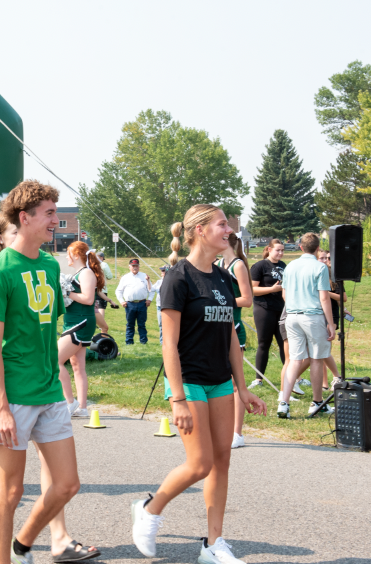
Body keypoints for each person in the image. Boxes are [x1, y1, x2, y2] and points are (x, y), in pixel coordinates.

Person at [0, 212, 99, 561]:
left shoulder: (51, 266)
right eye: (50, 212)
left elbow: (48, 326)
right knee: (11, 491)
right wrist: (0, 405)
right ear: (25, 218)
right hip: (15, 393)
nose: (56, 219)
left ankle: (23, 542)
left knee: (67, 484)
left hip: (49, 389)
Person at [130, 204, 266, 563]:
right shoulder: (178, 277)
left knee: (222, 462)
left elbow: (232, 341)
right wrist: (176, 399)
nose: (229, 231)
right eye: (223, 224)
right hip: (188, 382)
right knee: (200, 464)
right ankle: (149, 508)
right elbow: (168, 344)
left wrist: (243, 387)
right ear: (201, 230)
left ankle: (213, 544)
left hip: (220, 380)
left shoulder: (223, 278)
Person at [277, 233, 336, 419]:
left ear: (301, 247)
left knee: (295, 360)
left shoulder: (290, 266)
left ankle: (283, 403)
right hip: (312, 316)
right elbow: (324, 297)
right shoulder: (320, 267)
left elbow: (284, 295)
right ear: (318, 248)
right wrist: (331, 323)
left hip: (292, 316)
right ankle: (318, 403)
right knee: (316, 358)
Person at [57, 241, 105, 418]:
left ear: (76, 255)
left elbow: (87, 299)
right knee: (78, 366)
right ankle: (82, 408)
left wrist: (66, 292)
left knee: (54, 361)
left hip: (81, 322)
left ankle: (70, 402)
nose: (67, 257)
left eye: (68, 253)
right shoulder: (79, 273)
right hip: (74, 320)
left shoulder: (86, 273)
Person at [215, 232, 253, 449]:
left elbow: (247, 300)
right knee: (220, 382)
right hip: (217, 328)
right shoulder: (218, 263)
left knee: (236, 384)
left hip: (233, 328)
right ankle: (222, 428)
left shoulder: (238, 265)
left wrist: (221, 303)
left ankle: (237, 433)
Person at [248, 239, 286, 388]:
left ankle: (292, 378)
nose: (281, 253)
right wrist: (271, 289)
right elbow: (252, 289)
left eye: (283, 250)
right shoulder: (260, 266)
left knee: (285, 343)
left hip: (281, 308)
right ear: (269, 249)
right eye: (278, 250)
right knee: (264, 343)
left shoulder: (283, 266)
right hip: (264, 308)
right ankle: (258, 379)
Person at [317, 249, 345, 391]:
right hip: (316, 314)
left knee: (324, 349)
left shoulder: (334, 277)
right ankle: (324, 384)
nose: (325, 261)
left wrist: (326, 293)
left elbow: (343, 298)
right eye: (322, 258)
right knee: (319, 352)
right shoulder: (316, 274)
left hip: (331, 315)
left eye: (327, 258)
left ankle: (336, 377)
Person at [115, 258, 153, 344]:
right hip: (130, 304)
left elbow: (151, 289)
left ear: (139, 266)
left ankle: (143, 341)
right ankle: (129, 341)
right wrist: (121, 301)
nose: (135, 267)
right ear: (129, 267)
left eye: (136, 266)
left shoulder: (144, 276)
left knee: (142, 324)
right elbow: (118, 291)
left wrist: (149, 300)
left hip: (142, 304)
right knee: (130, 324)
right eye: (133, 266)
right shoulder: (125, 277)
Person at [93, 251, 115, 334]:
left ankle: (94, 323)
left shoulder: (92, 264)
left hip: (93, 288)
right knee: (101, 307)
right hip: (102, 289)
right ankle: (101, 324)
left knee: (94, 305)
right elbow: (109, 276)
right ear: (102, 257)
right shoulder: (104, 265)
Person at [149, 266, 168, 344]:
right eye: (162, 271)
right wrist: (148, 280)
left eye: (164, 271)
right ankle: (162, 342)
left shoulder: (171, 282)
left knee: (168, 325)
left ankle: (169, 341)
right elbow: (150, 289)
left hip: (168, 306)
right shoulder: (158, 282)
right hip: (159, 306)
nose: (162, 273)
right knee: (161, 325)